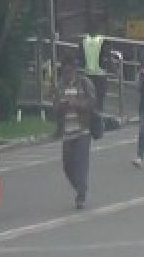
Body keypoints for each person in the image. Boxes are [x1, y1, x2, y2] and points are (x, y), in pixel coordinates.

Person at [54, 55, 96, 210]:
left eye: (70, 71)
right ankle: (79, 187)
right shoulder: (59, 86)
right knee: (67, 166)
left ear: (74, 70)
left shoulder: (84, 83)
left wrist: (77, 104)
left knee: (81, 164)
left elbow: (92, 101)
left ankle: (81, 194)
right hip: (67, 131)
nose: (67, 74)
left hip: (82, 130)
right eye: (64, 72)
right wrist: (61, 106)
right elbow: (55, 107)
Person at [79, 33, 108, 114]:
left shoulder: (84, 41)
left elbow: (80, 57)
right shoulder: (102, 40)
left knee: (89, 99)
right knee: (99, 101)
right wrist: (115, 70)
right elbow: (107, 56)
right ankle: (98, 120)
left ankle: (90, 119)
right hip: (100, 74)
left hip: (88, 74)